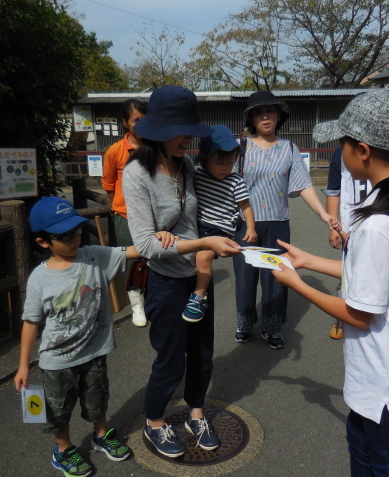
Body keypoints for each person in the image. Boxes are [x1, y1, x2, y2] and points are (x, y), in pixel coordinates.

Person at [272, 89, 389, 476]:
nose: (339, 152)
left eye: (341, 143)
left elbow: (359, 313)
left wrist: (296, 283)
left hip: (385, 382)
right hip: (382, 376)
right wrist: (308, 260)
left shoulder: (378, 225)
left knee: (382, 465)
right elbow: (374, 279)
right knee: (362, 453)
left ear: (362, 151)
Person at [13, 197, 177, 477]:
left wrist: (159, 238)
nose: (75, 238)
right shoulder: (40, 278)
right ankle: (63, 448)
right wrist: (23, 365)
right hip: (57, 360)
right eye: (64, 235)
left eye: (77, 230)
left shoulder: (93, 255)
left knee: (97, 398)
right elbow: (31, 322)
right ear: (43, 242)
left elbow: (132, 251)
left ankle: (101, 434)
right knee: (58, 407)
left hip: (94, 351)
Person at [122, 86, 241, 458]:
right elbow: (146, 246)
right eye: (181, 131)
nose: (188, 139)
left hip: (197, 278)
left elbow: (200, 213)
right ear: (157, 129)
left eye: (190, 131)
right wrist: (203, 243)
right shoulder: (136, 173)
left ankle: (196, 412)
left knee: (202, 352)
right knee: (171, 357)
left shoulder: (186, 165)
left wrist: (217, 237)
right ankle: (154, 420)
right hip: (165, 281)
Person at [233, 90, 339, 349]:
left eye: (270, 111)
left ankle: (272, 327)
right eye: (258, 112)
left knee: (277, 277)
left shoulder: (290, 148)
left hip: (278, 223)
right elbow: (228, 183)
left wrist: (324, 214)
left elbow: (303, 185)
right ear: (251, 118)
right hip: (245, 224)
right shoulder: (240, 146)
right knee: (245, 278)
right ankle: (244, 324)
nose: (265, 116)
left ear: (279, 115)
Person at [182, 124, 257, 322]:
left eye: (230, 162)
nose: (225, 168)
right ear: (204, 158)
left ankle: (198, 296)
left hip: (220, 228)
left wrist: (250, 227)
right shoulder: (197, 175)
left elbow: (246, 206)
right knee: (188, 257)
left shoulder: (235, 181)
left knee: (203, 257)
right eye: (218, 162)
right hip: (197, 224)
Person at [101, 99, 148, 327]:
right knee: (132, 261)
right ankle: (137, 305)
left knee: (153, 257)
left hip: (152, 215)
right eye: (135, 120)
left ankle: (153, 299)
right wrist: (120, 206)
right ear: (125, 123)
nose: (141, 124)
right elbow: (109, 185)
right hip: (126, 216)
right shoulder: (116, 151)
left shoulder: (156, 147)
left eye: (145, 120)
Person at [321, 146, 373, 340]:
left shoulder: (387, 151)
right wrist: (333, 227)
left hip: (378, 224)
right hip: (350, 228)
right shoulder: (340, 153)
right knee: (349, 271)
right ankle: (344, 315)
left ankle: (369, 313)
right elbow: (334, 190)